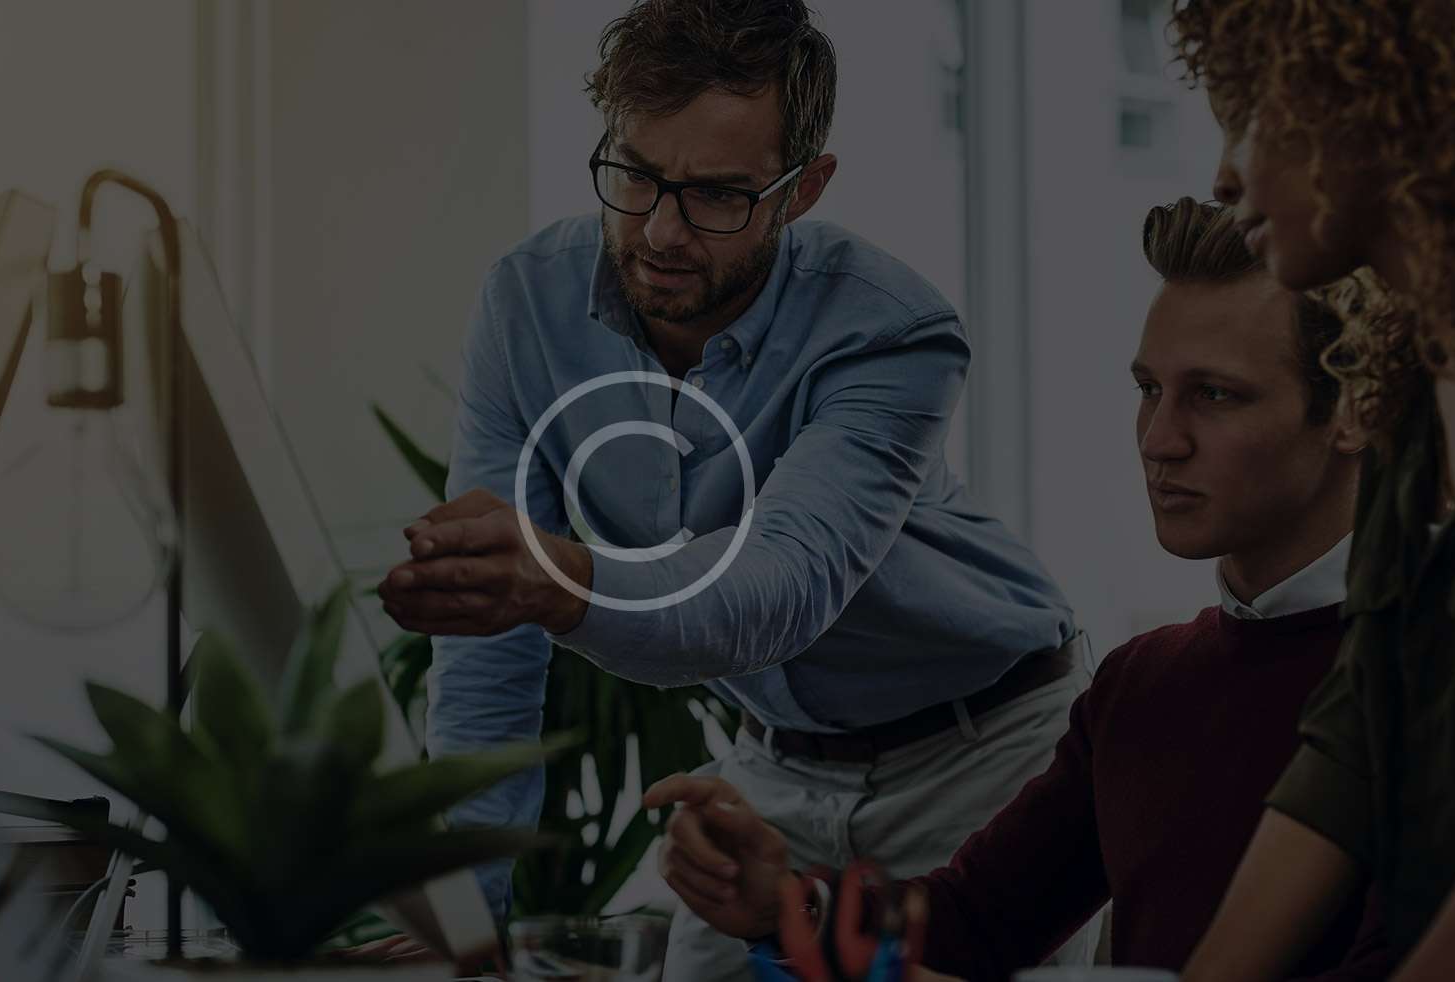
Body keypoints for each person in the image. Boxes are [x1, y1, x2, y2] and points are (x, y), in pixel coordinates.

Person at [374, 1, 1091, 976]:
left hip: (984, 757)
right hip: (777, 766)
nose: (661, 231)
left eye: (717, 195)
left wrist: (556, 578)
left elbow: (776, 588)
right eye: (635, 175)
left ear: (804, 189)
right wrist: (463, 924)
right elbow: (487, 641)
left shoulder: (894, 331)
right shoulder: (527, 305)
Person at [645, 198, 1393, 981]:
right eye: (1149, 389)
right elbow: (973, 921)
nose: (1159, 440)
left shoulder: (1434, 681)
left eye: (1215, 394)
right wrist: (783, 909)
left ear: (1355, 410)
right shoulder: (1144, 685)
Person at [1159, 2, 1455, 980]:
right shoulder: (1413, 381)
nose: (1223, 175)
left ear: (1362, 98)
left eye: (1246, 116)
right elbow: (1355, 739)